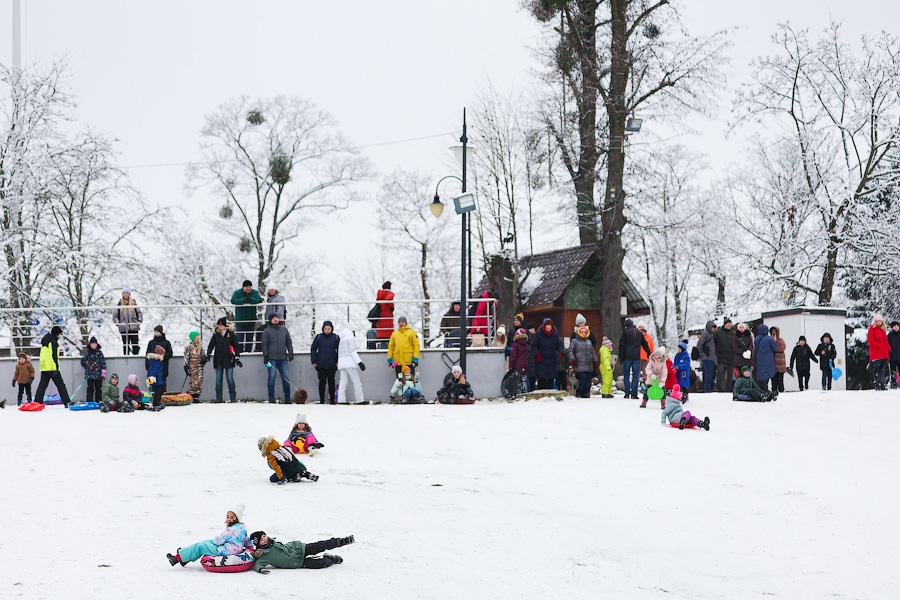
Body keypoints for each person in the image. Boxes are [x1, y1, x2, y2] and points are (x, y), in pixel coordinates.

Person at [167, 504, 253, 567]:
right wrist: (251, 549)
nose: (228, 519)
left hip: (224, 551)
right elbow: (247, 542)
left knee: (200, 546)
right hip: (231, 549)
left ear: (237, 519)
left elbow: (219, 541)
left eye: (232, 517)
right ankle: (185, 559)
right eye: (228, 517)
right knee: (207, 542)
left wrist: (214, 540)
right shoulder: (242, 529)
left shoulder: (231, 531)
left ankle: (176, 558)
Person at [249, 531, 355, 573]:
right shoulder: (264, 555)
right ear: (259, 545)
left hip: (299, 549)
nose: (265, 539)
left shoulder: (272, 541)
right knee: (321, 563)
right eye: (262, 540)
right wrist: (261, 569)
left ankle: (342, 541)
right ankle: (331, 559)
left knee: (320, 545)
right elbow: (257, 565)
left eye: (264, 536)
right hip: (297, 563)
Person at [33, 326, 71, 407]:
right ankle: (67, 402)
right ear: (56, 334)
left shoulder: (45, 342)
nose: (59, 336)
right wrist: (56, 367)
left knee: (42, 386)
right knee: (61, 385)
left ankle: (37, 402)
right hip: (52, 367)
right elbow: (54, 355)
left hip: (44, 367)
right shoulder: (53, 342)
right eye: (59, 334)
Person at [262, 314, 294, 404]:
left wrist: (290, 352)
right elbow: (264, 344)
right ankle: (271, 398)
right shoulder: (267, 331)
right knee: (271, 378)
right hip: (272, 358)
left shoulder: (284, 329)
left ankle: (287, 398)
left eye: (276, 318)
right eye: (273, 318)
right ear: (270, 320)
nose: (275, 319)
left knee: (286, 378)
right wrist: (265, 356)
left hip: (283, 358)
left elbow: (289, 342)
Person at [207, 317, 241, 403]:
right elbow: (211, 345)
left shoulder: (231, 335)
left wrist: (237, 356)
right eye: (218, 326)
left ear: (225, 326)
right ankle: (219, 398)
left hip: (229, 360)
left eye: (221, 326)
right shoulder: (215, 335)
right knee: (218, 379)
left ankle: (233, 398)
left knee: (230, 378)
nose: (219, 328)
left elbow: (236, 346)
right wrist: (208, 354)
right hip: (218, 360)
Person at [618, 318, 650, 399]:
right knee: (636, 375)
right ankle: (634, 393)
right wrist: (649, 353)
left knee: (626, 375)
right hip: (636, 357)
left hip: (627, 357)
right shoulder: (639, 333)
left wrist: (621, 356)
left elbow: (621, 345)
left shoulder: (625, 333)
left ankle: (627, 393)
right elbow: (645, 344)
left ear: (626, 326)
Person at [310, 320, 339, 404]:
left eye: (329, 329)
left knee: (331, 381)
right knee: (322, 382)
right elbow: (313, 349)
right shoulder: (319, 337)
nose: (327, 330)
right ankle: (322, 400)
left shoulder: (336, 337)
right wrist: (314, 361)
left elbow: (339, 350)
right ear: (323, 329)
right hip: (321, 363)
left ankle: (332, 400)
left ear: (332, 329)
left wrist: (337, 361)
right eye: (325, 329)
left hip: (332, 363)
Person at [231, 280, 263, 353]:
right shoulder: (237, 293)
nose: (248, 288)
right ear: (243, 287)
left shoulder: (254, 292)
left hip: (251, 321)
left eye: (249, 287)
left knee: (250, 339)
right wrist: (243, 300)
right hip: (240, 321)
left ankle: (249, 352)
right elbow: (233, 301)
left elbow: (259, 300)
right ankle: (239, 353)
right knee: (239, 339)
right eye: (247, 287)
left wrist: (251, 300)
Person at [337, 326, 366, 404]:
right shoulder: (350, 337)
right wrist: (360, 362)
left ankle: (341, 400)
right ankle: (360, 400)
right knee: (356, 382)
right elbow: (353, 351)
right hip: (349, 362)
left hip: (342, 363)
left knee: (343, 382)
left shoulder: (342, 339)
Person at [533, 318, 564, 390]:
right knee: (541, 378)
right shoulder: (539, 334)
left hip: (552, 359)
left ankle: (550, 392)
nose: (548, 330)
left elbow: (559, 345)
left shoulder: (555, 334)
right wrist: (537, 354)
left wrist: (561, 352)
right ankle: (541, 391)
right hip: (541, 358)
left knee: (551, 378)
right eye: (547, 328)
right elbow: (534, 345)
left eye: (549, 328)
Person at [112, 286, 142, 355]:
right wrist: (119, 324)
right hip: (123, 328)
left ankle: (135, 357)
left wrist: (138, 322)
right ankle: (126, 357)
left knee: (135, 344)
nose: (125, 294)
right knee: (125, 345)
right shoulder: (119, 304)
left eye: (127, 293)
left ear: (129, 294)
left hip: (134, 327)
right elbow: (115, 316)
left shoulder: (134, 303)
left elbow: (139, 313)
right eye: (124, 293)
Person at [568, 326, 597, 398]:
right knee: (583, 378)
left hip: (588, 364)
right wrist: (573, 360)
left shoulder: (589, 342)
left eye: (585, 332)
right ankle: (579, 391)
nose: (584, 333)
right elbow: (570, 351)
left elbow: (593, 352)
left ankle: (586, 392)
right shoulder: (575, 341)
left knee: (588, 379)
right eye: (582, 332)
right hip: (579, 364)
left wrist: (595, 361)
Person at [79, 336, 106, 405]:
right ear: (90, 344)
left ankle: (98, 401)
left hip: (98, 374)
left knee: (98, 388)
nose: (94, 345)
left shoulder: (99, 352)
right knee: (90, 388)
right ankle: (89, 401)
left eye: (95, 343)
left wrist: (103, 371)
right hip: (90, 374)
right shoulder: (88, 353)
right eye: (92, 344)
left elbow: (103, 362)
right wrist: (87, 367)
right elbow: (83, 361)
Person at [868, 314, 891, 390]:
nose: (880, 322)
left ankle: (882, 384)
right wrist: (877, 346)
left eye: (881, 320)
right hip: (876, 353)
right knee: (876, 368)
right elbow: (870, 339)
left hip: (884, 353)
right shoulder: (872, 329)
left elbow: (885, 341)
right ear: (875, 321)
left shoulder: (883, 330)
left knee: (882, 369)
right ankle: (877, 384)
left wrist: (889, 349)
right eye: (878, 320)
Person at [754, 324, 778, 395]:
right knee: (767, 374)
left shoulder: (757, 338)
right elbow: (775, 348)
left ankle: (761, 390)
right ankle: (766, 390)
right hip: (768, 359)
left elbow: (755, 347)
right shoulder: (769, 338)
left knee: (761, 373)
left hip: (759, 359)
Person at [370, 281, 394, 349]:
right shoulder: (389, 295)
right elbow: (391, 305)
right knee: (389, 339)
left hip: (380, 320)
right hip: (388, 320)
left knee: (382, 338)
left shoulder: (380, 296)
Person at [184, 332, 207, 402]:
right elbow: (186, 357)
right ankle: (191, 394)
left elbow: (204, 355)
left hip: (200, 367)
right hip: (193, 367)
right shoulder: (189, 347)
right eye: (197, 336)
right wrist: (186, 366)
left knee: (200, 380)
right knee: (194, 381)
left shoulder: (200, 347)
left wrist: (204, 359)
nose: (198, 338)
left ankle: (197, 395)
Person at [714, 318, 735, 392]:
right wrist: (716, 352)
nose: (730, 325)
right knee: (720, 372)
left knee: (730, 374)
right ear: (725, 324)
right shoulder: (718, 333)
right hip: (721, 356)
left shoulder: (732, 334)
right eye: (729, 323)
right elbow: (714, 343)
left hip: (731, 356)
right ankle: (719, 387)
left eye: (731, 323)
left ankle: (728, 388)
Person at [697, 320, 717, 392]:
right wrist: (702, 352)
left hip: (711, 358)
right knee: (709, 374)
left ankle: (709, 389)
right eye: (713, 327)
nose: (714, 329)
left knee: (711, 374)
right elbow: (700, 343)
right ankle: (707, 390)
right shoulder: (706, 333)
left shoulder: (711, 335)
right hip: (707, 358)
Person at [509, 328, 530, 394]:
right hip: (524, 364)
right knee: (524, 378)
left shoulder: (515, 345)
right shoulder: (526, 345)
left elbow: (513, 356)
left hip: (517, 364)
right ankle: (525, 391)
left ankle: (518, 392)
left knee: (517, 379)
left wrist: (511, 366)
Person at [146, 344, 167, 411]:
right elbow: (154, 369)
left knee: (158, 391)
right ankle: (156, 404)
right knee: (157, 392)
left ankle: (157, 402)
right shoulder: (157, 361)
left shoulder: (155, 361)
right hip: (156, 380)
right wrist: (153, 376)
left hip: (158, 379)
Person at [769, 326, 787, 394]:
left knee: (780, 380)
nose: (773, 333)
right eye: (772, 331)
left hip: (780, 364)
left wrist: (775, 349)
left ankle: (781, 392)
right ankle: (774, 392)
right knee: (773, 381)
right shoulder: (770, 340)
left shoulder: (781, 340)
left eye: (775, 331)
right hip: (773, 364)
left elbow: (783, 347)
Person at [525, 323, 538, 392]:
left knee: (532, 377)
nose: (532, 330)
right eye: (531, 329)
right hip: (531, 360)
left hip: (533, 360)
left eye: (533, 329)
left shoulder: (536, 337)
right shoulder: (528, 338)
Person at [888, 321, 900, 388]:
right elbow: (888, 345)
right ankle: (894, 383)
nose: (896, 327)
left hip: (899, 356)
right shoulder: (890, 335)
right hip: (892, 356)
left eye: (897, 326)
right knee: (893, 371)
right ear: (892, 327)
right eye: (895, 326)